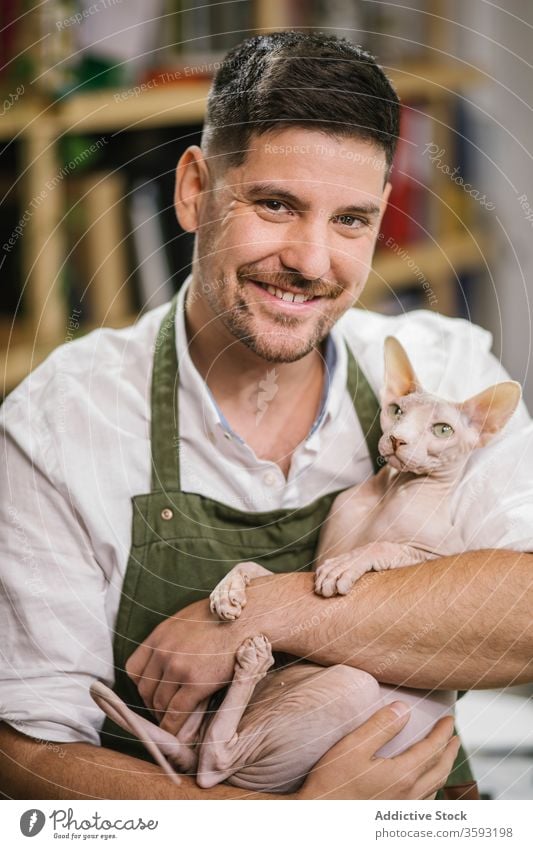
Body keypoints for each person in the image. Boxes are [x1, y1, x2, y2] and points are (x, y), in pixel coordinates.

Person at [1, 31, 532, 801]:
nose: (312, 261)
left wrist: (265, 611)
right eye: (276, 204)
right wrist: (288, 824)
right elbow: (25, 757)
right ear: (194, 190)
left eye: (350, 220)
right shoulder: (58, 424)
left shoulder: (442, 369)